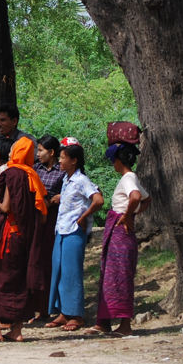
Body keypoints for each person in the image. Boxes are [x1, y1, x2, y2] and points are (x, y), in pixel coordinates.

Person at [0, 136, 48, 343]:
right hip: (25, 237)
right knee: (19, 280)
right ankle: (16, 330)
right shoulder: (32, 175)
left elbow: (7, 207)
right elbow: (41, 213)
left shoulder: (12, 173)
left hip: (9, 235)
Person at [89, 143, 150, 337]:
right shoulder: (131, 177)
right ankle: (104, 322)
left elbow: (136, 196)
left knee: (120, 277)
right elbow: (146, 199)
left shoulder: (128, 178)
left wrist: (128, 215)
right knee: (109, 275)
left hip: (121, 233)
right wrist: (133, 213)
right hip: (118, 233)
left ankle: (125, 324)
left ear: (118, 161)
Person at [45, 141, 102, 332]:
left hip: (74, 232)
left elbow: (98, 199)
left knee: (72, 273)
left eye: (63, 158)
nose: (59, 161)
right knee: (59, 270)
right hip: (61, 229)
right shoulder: (67, 180)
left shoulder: (81, 180)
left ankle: (76, 315)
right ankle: (63, 312)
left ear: (74, 161)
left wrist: (84, 217)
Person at [32, 135, 66, 320]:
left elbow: (73, 187)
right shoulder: (35, 169)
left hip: (54, 218)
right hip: (37, 217)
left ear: (52, 152)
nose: (38, 154)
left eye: (41, 150)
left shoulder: (63, 170)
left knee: (50, 261)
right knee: (37, 261)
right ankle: (39, 307)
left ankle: (55, 306)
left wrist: (61, 196)